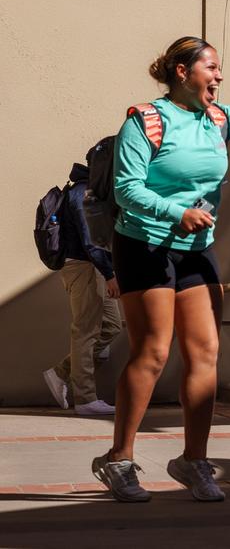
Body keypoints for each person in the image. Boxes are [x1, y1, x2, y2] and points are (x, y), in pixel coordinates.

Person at [91, 36, 230, 504]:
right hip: (144, 245)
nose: (218, 76)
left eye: (219, 70)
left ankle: (193, 461)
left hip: (196, 247)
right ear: (181, 71)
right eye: (211, 68)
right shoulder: (146, 120)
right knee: (152, 353)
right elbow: (128, 188)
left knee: (206, 353)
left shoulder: (218, 119)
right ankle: (119, 459)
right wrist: (177, 214)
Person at [44, 156, 123, 416]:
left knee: (111, 325)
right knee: (85, 330)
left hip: (93, 266)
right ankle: (86, 398)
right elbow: (91, 242)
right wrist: (110, 274)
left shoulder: (93, 191)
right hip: (82, 266)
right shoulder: (83, 192)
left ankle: (61, 372)